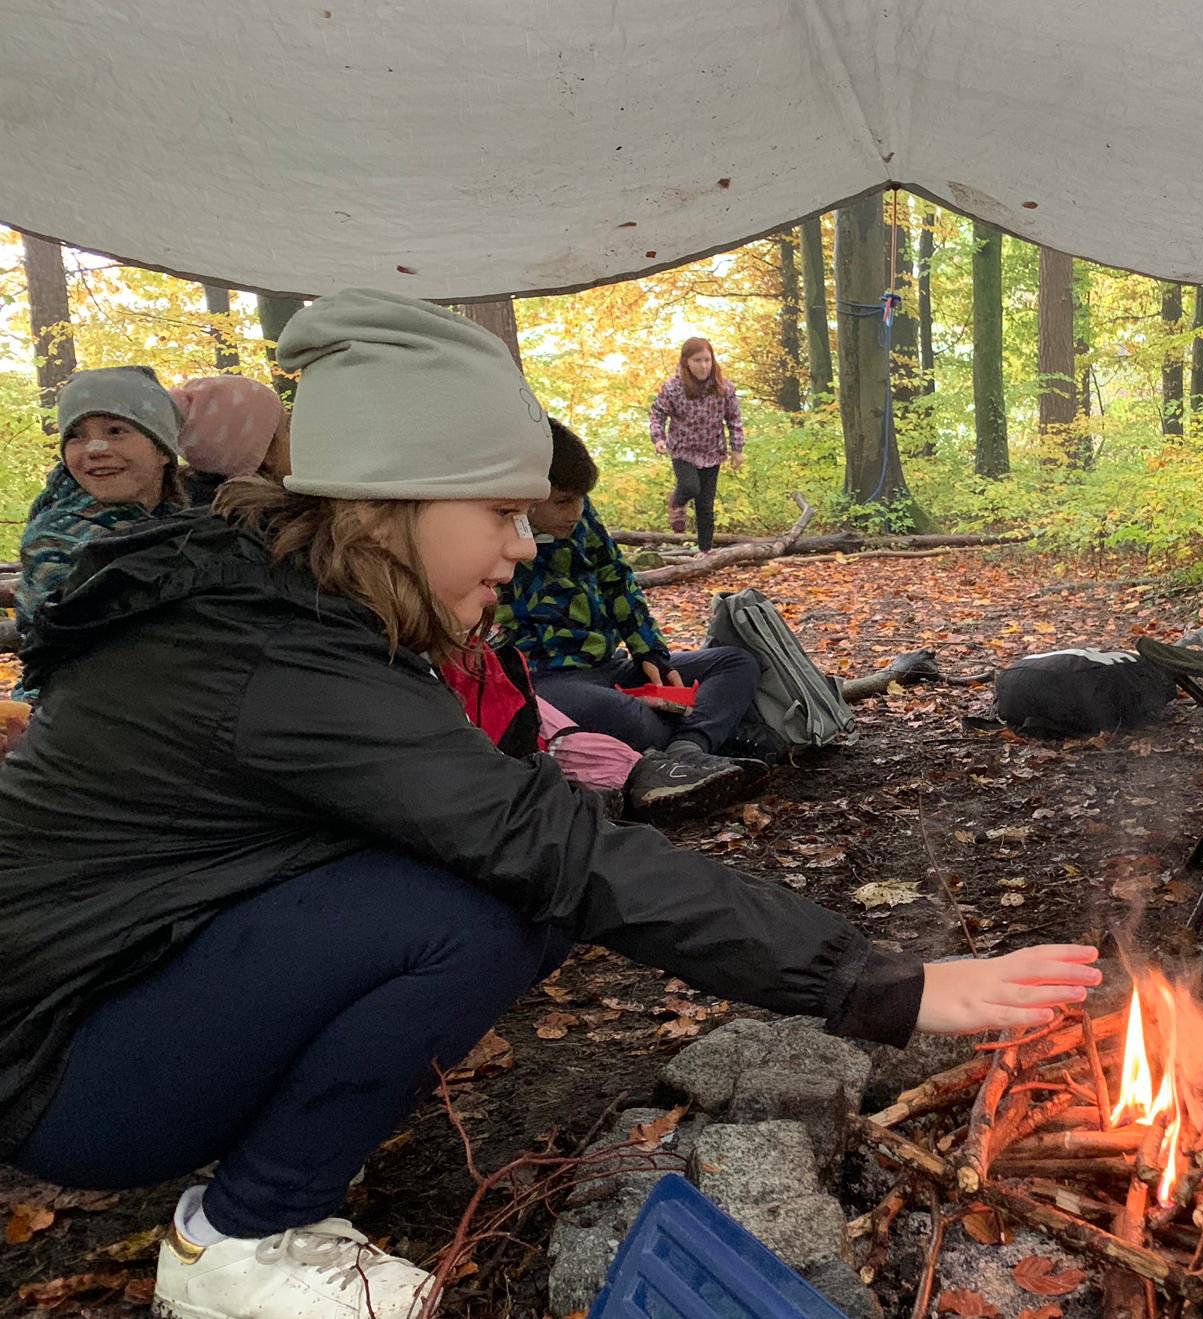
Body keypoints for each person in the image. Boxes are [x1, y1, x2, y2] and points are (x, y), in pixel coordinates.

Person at [0, 289, 1099, 1319]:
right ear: (393, 502)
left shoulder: (290, 607)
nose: (526, 547)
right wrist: (881, 984)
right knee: (486, 905)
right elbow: (552, 848)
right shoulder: (274, 655)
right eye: (501, 512)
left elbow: (526, 820)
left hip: (122, 991)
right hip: (61, 1069)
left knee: (509, 893)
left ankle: (266, 1186)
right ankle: (241, 1237)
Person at [499, 418, 767, 820]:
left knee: (735, 663)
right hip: (548, 681)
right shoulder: (495, 535)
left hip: (610, 666)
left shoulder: (582, 518)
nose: (575, 512)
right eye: (563, 501)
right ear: (527, 494)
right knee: (637, 720)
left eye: (581, 499)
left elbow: (616, 578)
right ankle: (703, 744)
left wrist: (649, 652)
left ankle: (687, 750)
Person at [16, 365, 185, 629]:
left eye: (115, 431)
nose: (95, 449)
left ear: (163, 450)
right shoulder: (55, 537)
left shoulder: (190, 522)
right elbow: (55, 634)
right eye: (76, 436)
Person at [649, 335, 743, 550]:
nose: (703, 366)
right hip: (682, 449)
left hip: (713, 451)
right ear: (686, 362)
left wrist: (737, 449)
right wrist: (658, 438)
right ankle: (676, 502)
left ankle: (705, 550)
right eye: (697, 360)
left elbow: (734, 418)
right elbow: (657, 413)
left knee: (705, 506)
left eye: (707, 360)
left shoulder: (724, 388)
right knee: (690, 487)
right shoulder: (673, 388)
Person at [171, 374, 288, 507]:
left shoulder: (187, 502)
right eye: (287, 427)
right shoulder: (277, 513)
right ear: (264, 454)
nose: (295, 435)